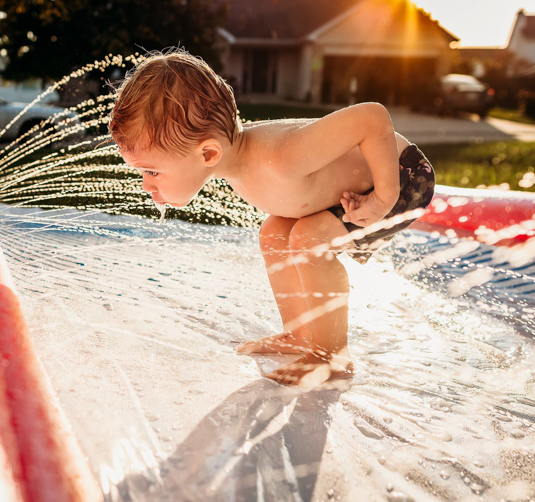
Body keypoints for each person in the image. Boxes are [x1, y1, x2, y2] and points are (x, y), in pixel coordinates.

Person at [108, 50, 435, 386]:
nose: (147, 184)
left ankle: (332, 356)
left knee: (309, 238)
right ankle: (299, 336)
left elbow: (373, 118)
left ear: (208, 153)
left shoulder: (280, 158)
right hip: (352, 186)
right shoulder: (236, 163)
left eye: (152, 171)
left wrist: (383, 197)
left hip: (403, 176)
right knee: (274, 234)